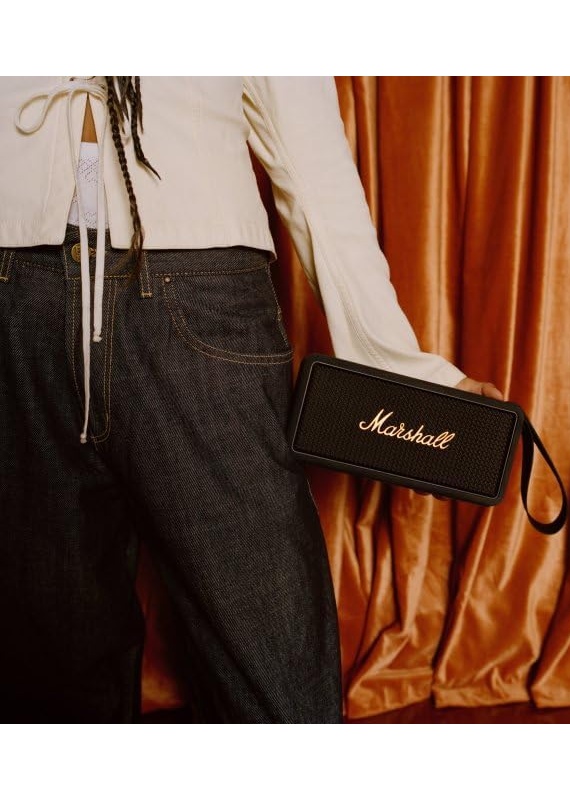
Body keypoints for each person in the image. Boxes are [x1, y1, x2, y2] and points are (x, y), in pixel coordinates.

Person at [0, 76, 501, 723]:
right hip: (17, 292)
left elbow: (309, 156)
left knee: (276, 677)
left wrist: (403, 370)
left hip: (198, 296)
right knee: (48, 676)